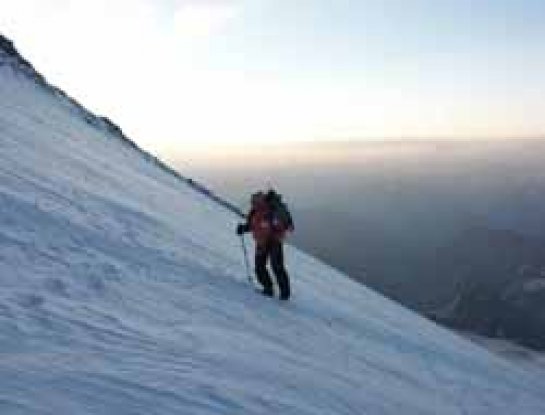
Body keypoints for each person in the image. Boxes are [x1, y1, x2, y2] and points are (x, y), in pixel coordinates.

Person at [236, 189, 294, 300]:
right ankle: (269, 289)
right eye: (253, 202)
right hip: (263, 241)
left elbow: (280, 225)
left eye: (254, 201)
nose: (253, 204)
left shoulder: (270, 210)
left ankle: (283, 293)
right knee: (260, 266)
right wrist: (243, 228)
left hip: (273, 241)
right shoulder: (255, 212)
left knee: (276, 266)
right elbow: (252, 225)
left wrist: (277, 228)